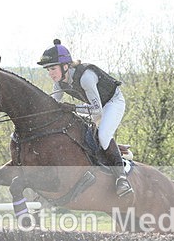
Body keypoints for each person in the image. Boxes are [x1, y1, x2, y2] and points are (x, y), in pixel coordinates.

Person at [37, 39, 132, 197]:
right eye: (48, 70)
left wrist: (73, 108)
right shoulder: (59, 83)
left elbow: (97, 112)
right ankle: (110, 147)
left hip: (112, 102)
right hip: (96, 107)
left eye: (53, 68)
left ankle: (121, 177)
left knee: (102, 135)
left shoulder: (85, 76)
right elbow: (51, 107)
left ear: (65, 66)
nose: (50, 73)